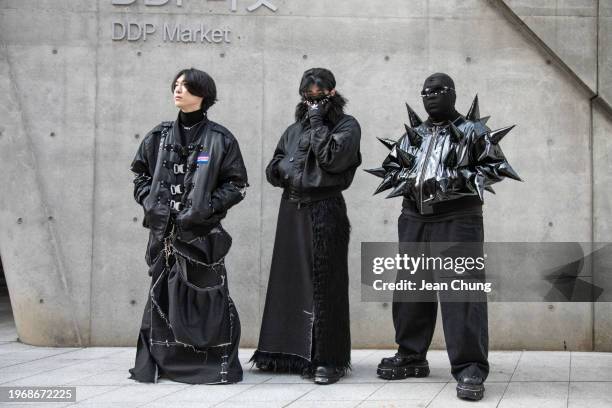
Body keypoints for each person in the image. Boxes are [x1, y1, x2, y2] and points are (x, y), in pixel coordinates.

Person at [366, 73, 521, 400]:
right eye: (425, 92)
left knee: (462, 293)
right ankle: (411, 353)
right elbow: (390, 168)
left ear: (452, 93)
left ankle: (470, 367)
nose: (430, 96)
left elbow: (496, 168)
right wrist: (404, 179)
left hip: (459, 218)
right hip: (413, 218)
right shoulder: (414, 134)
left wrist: (454, 179)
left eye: (437, 90)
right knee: (410, 287)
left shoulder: (473, 130)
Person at [128, 68, 248, 384]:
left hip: (201, 234)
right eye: (176, 85)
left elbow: (236, 184)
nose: (178, 90)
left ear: (202, 94)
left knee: (206, 298)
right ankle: (162, 362)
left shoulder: (220, 138)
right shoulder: (158, 135)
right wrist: (151, 202)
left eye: (186, 86)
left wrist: (205, 209)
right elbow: (140, 175)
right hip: (162, 234)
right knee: (161, 296)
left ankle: (211, 365)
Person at [251, 68, 361, 385]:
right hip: (292, 208)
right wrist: (287, 168)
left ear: (332, 93)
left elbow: (333, 160)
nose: (313, 102)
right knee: (288, 279)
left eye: (319, 95)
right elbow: (274, 167)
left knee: (326, 284)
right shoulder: (292, 130)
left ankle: (328, 359)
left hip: (325, 208)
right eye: (307, 96)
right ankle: (286, 352)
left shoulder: (347, 126)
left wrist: (316, 124)